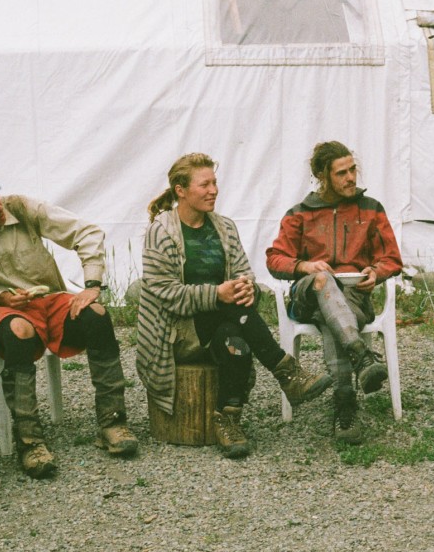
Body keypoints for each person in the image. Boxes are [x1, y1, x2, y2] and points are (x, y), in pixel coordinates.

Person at [0, 173, 137, 479]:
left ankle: (113, 422)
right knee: (19, 332)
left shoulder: (21, 207)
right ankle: (30, 441)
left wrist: (92, 284)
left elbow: (87, 232)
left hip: (49, 300)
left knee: (96, 315)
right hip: (2, 311)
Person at [138, 154, 332, 458]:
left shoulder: (224, 227)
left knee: (236, 341)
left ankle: (227, 421)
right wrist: (219, 294)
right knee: (232, 310)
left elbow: (243, 272)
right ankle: (286, 371)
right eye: (204, 184)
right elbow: (165, 294)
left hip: (222, 321)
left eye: (214, 182)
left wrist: (245, 288)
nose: (214, 190)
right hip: (177, 330)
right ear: (181, 190)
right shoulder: (161, 231)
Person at [266, 141, 402, 444]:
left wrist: (376, 272)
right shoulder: (299, 214)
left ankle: (344, 402)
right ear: (322, 176)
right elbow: (275, 259)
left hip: (354, 299)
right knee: (322, 279)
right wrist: (304, 266)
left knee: (335, 318)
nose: (351, 177)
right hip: (307, 295)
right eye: (342, 173)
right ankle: (361, 355)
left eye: (353, 169)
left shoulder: (371, 209)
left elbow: (391, 257)